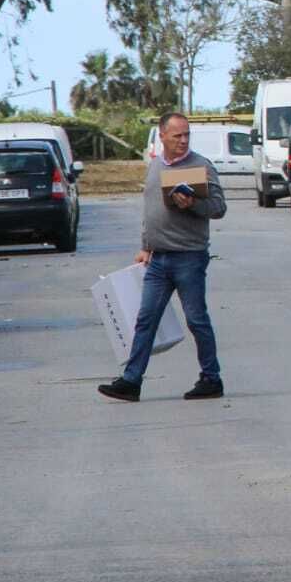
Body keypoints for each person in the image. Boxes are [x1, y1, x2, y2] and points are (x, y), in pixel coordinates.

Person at [98, 112, 228, 402]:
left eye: (187, 135)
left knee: (196, 320)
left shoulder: (201, 166)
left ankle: (211, 378)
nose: (183, 140)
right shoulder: (156, 165)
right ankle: (131, 381)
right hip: (158, 260)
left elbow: (219, 208)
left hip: (189, 257)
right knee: (145, 320)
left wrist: (193, 204)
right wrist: (145, 246)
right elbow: (150, 211)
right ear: (162, 136)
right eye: (177, 135)